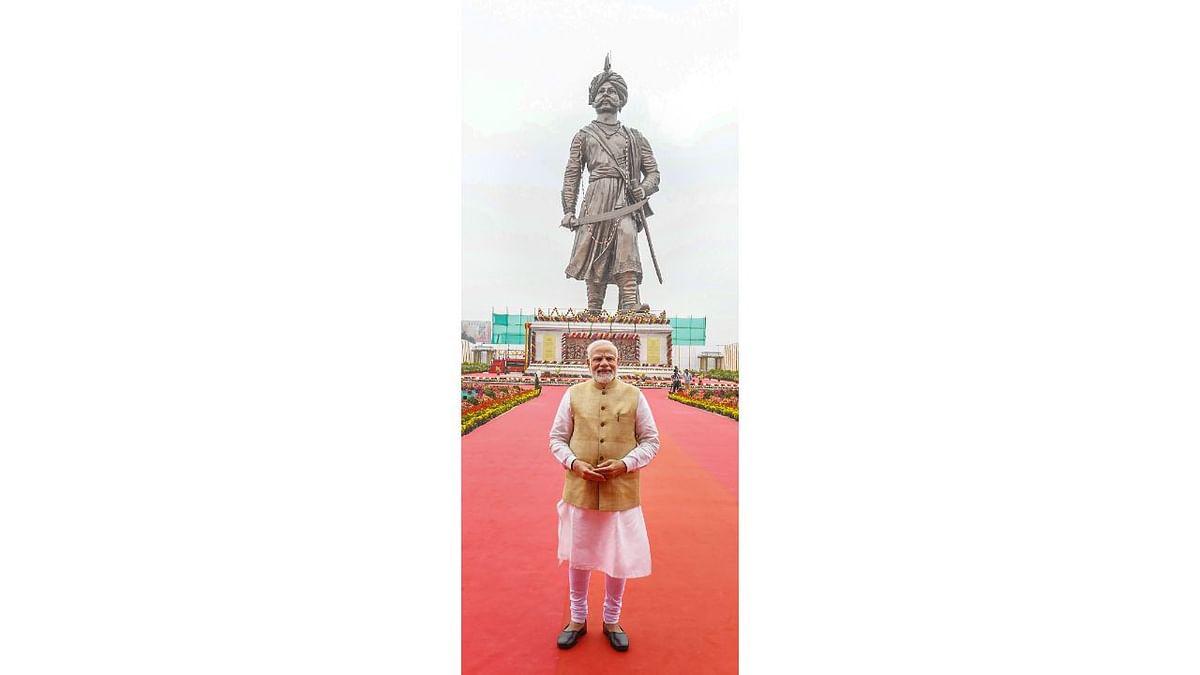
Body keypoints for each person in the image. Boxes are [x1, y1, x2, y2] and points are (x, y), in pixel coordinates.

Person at [549, 339, 660, 652]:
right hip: (579, 488)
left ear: (618, 361)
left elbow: (651, 441)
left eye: (609, 358)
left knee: (618, 557)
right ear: (588, 363)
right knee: (578, 554)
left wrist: (626, 464)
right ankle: (577, 618)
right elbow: (556, 439)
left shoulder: (635, 396)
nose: (604, 364)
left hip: (620, 491)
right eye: (597, 359)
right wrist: (574, 463)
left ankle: (612, 619)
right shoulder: (572, 395)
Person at [560, 55, 661, 314]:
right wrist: (569, 210)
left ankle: (629, 302)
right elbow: (572, 174)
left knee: (627, 236)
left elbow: (653, 174)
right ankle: (593, 306)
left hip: (624, 201)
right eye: (601, 91)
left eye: (612, 91)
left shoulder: (634, 137)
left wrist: (644, 189)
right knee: (593, 248)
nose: (606, 95)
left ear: (620, 99)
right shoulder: (583, 136)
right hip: (595, 199)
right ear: (593, 98)